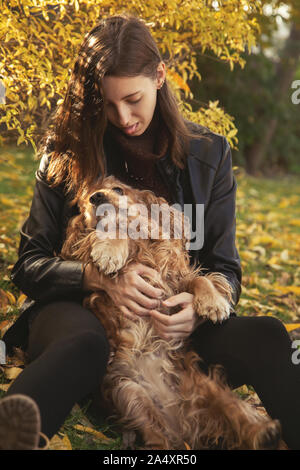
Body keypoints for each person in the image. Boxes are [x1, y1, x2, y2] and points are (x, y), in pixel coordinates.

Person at [1, 14, 300, 450]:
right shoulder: (66, 151)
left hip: (171, 337)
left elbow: (224, 268)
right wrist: (97, 278)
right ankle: (13, 431)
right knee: (84, 344)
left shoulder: (209, 155)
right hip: (82, 314)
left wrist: (196, 309)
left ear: (160, 76)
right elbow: (28, 265)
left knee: (269, 335)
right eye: (108, 103)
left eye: (133, 99)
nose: (123, 117)